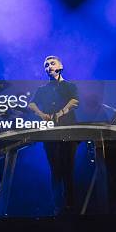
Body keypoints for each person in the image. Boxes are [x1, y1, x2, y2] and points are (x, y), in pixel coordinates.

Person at [28, 55, 79, 215]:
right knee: (55, 168)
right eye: (46, 65)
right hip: (50, 131)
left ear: (60, 66)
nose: (48, 66)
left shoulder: (69, 86)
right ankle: (58, 207)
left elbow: (75, 101)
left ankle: (71, 206)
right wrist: (42, 114)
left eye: (52, 63)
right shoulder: (42, 90)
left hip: (68, 130)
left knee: (68, 167)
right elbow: (31, 104)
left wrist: (62, 112)